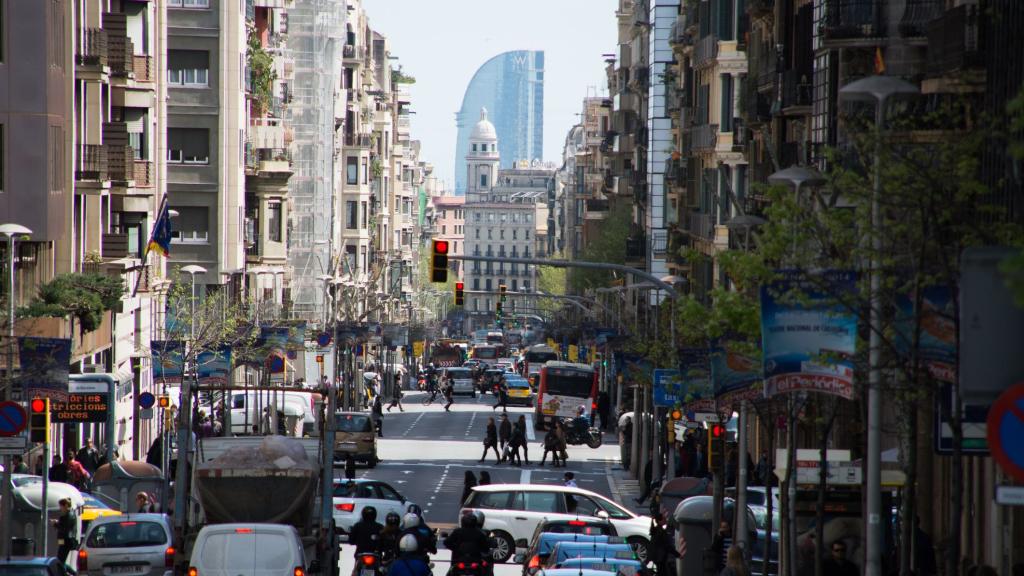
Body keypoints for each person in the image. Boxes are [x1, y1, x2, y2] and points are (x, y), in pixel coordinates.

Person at [53, 498, 78, 569]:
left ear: (66, 505)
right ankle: (70, 572)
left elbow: (64, 528)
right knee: (61, 560)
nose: (60, 508)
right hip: (64, 540)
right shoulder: (71, 514)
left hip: (65, 540)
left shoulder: (67, 516)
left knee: (60, 561)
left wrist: (55, 524)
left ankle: (68, 573)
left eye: (61, 506)